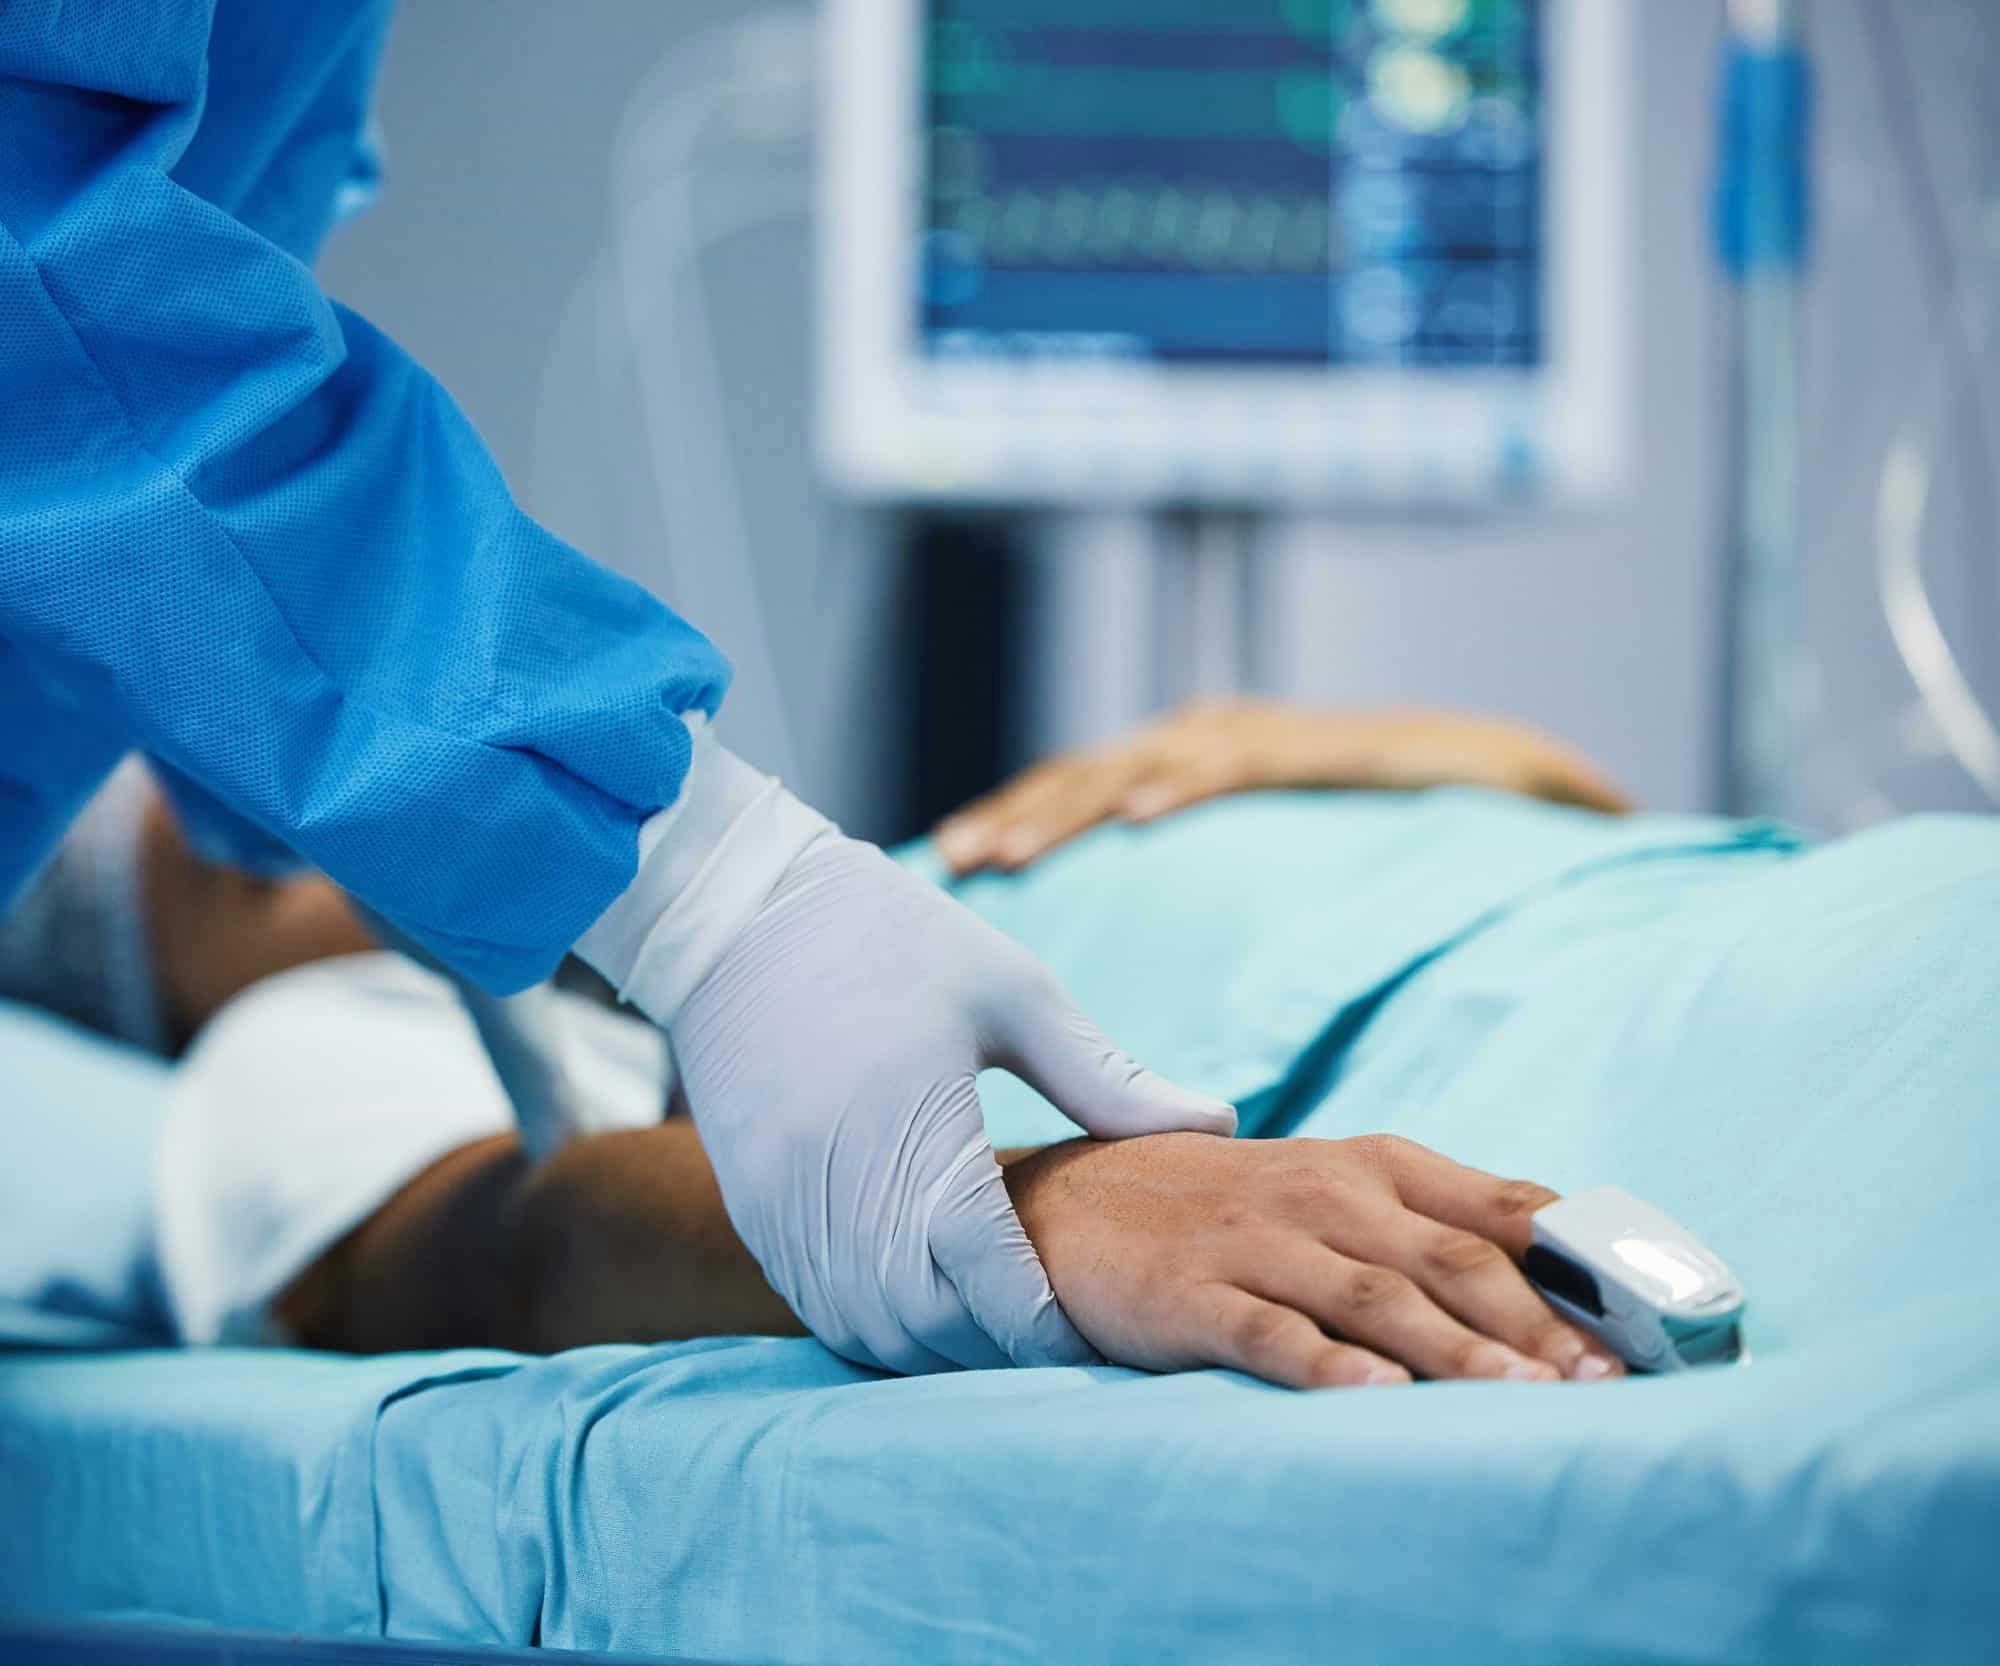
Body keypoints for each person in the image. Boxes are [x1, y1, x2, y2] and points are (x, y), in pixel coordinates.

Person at [0, 1, 1238, 1378]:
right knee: (264, 926)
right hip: (211, 854)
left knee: (270, 896)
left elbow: (146, 280)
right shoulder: (303, 1067)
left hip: (133, 751)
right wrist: (695, 885)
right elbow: (42, 299)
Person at [5, 701, 1638, 1388]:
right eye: (242, 864)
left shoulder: (825, 936)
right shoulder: (290, 1055)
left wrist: (1372, 752)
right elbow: (523, 1246)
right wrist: (1027, 1205)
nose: (352, 829)